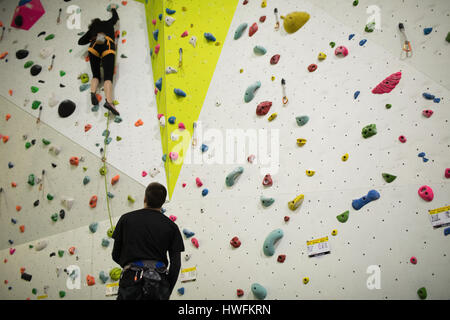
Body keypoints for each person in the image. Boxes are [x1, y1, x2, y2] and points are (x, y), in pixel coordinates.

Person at [112, 182, 185, 300]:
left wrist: (130, 267)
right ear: (163, 202)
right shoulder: (171, 226)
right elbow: (176, 265)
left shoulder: (126, 219)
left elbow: (115, 254)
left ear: (145, 198)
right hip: (159, 281)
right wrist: (167, 289)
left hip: (131, 279)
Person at [78, 5, 120, 116]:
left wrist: (90, 34)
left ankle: (93, 92)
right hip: (107, 43)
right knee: (108, 77)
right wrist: (113, 9)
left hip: (94, 43)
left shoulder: (93, 28)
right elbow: (115, 18)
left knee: (96, 75)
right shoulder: (108, 23)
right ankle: (109, 102)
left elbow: (80, 41)